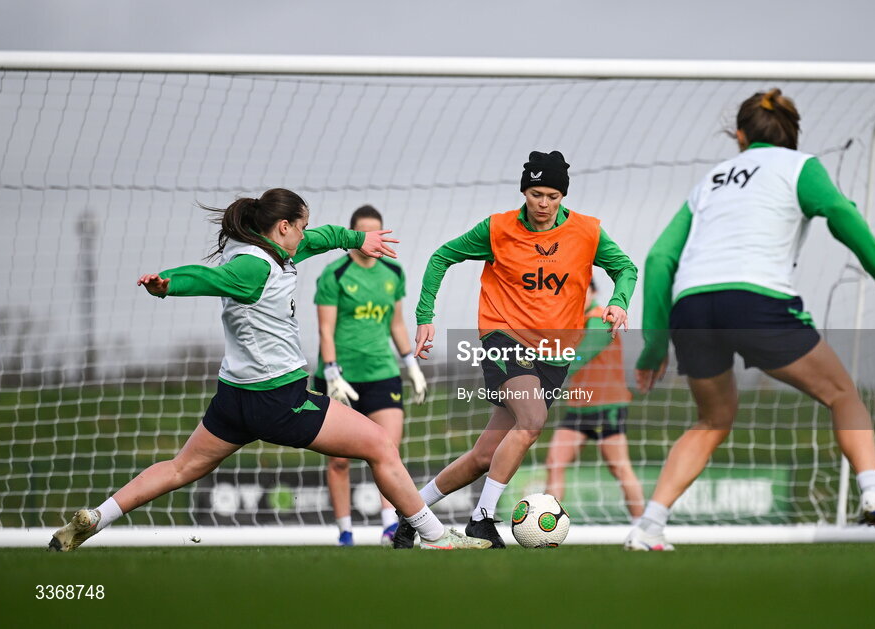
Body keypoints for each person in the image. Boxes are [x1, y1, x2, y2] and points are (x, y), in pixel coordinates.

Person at [48, 188, 488, 551]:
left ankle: (96, 517)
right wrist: (169, 284)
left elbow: (320, 238)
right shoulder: (253, 267)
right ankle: (436, 538)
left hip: (234, 397)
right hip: (278, 399)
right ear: (283, 227)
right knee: (380, 445)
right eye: (301, 225)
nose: (306, 233)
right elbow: (207, 278)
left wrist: (357, 240)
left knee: (180, 467)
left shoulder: (264, 249)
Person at [626, 89, 875, 551]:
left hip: (694, 305)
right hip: (755, 300)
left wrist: (654, 343)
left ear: (740, 135)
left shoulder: (712, 180)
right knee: (842, 394)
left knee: (712, 420)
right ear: (791, 133)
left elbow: (661, 256)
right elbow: (840, 212)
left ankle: (648, 527)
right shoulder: (800, 166)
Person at [392, 150, 638, 549]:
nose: (544, 204)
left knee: (484, 456)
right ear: (525, 191)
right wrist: (425, 315)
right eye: (536, 193)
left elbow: (625, 267)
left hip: (555, 354)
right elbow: (441, 257)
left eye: (553, 196)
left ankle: (411, 514)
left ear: (563, 197)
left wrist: (620, 300)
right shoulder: (497, 229)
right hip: (503, 338)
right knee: (532, 420)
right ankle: (482, 518)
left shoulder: (588, 232)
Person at [313, 205, 427, 546]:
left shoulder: (393, 272)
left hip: (382, 374)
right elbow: (325, 330)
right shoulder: (334, 275)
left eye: (377, 233)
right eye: (364, 233)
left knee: (388, 451)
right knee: (339, 460)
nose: (371, 240)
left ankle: (389, 527)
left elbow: (396, 323)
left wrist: (411, 364)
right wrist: (332, 373)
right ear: (353, 236)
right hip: (340, 378)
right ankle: (345, 532)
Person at [544, 281, 644, 522]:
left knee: (619, 467)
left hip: (608, 405)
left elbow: (579, 356)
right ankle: (547, 524)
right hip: (579, 405)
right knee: (554, 462)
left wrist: (545, 369)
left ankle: (643, 526)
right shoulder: (570, 323)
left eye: (582, 291)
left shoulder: (602, 317)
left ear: (595, 292)